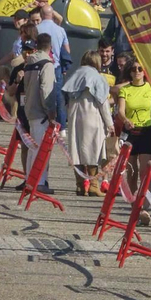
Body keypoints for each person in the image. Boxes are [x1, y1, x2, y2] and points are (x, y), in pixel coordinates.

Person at [63, 49, 110, 195]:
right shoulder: (97, 77)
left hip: (74, 117)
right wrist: (110, 123)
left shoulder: (75, 75)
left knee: (76, 149)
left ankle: (80, 185)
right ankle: (94, 186)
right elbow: (103, 103)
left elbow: (66, 98)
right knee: (93, 150)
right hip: (92, 116)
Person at [116, 57, 151, 215]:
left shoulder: (150, 89)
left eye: (140, 69)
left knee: (145, 171)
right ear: (129, 72)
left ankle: (143, 200)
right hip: (131, 132)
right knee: (132, 172)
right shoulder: (125, 90)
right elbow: (120, 110)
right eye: (134, 69)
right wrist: (126, 120)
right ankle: (136, 205)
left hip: (146, 130)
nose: (137, 72)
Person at [19, 32, 58, 192]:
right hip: (41, 113)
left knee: (32, 148)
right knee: (42, 149)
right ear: (50, 46)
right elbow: (46, 90)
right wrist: (51, 112)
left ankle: (29, 179)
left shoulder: (29, 63)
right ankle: (40, 182)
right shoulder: (46, 65)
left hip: (29, 109)